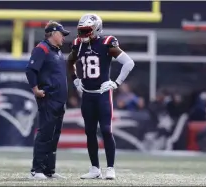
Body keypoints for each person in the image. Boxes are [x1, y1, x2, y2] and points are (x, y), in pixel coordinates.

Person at [67, 14, 135, 180]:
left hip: (103, 94)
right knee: (90, 132)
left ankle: (110, 168)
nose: (82, 34)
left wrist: (116, 83)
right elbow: (69, 62)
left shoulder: (107, 43)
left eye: (86, 30)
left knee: (106, 130)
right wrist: (75, 79)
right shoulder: (77, 44)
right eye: (80, 30)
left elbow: (129, 63)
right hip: (87, 96)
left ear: (96, 28)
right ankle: (94, 168)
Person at [25, 20, 70, 180]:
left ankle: (49, 170)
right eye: (62, 34)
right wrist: (35, 89)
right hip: (48, 99)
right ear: (53, 33)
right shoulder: (41, 48)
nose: (64, 37)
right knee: (45, 134)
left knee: (54, 135)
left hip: (59, 100)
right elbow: (30, 70)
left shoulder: (57, 51)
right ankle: (36, 170)